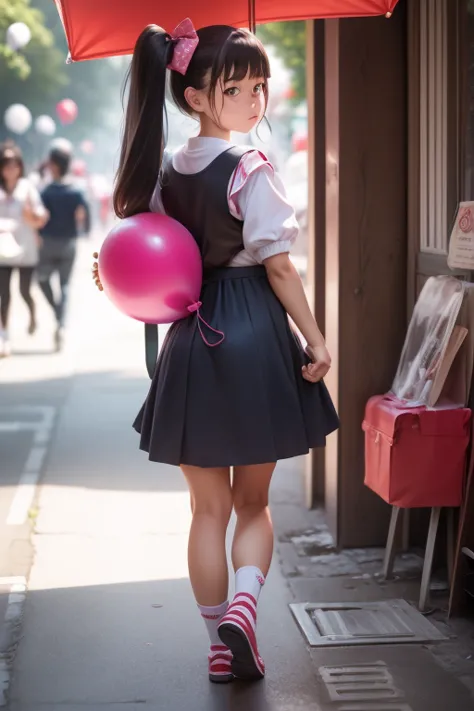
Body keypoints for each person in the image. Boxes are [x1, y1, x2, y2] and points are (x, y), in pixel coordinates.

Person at [92, 21, 339, 683]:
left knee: (207, 510)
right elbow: (281, 269)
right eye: (239, 88)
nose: (256, 101)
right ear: (197, 96)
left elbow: (137, 263)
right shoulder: (252, 169)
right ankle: (245, 611)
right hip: (255, 328)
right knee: (253, 504)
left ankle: (217, 644)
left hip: (192, 342)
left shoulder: (160, 176)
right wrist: (315, 340)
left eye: (260, 86)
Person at [37, 147, 90, 351]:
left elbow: (39, 216)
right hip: (69, 242)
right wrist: (85, 232)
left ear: (55, 165)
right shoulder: (77, 191)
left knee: (42, 280)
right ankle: (61, 321)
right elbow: (86, 214)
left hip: (49, 242)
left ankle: (57, 314)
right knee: (65, 285)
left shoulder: (46, 191)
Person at [0, 142, 49, 357]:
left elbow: (40, 215)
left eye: (14, 164)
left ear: (20, 166)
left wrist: (31, 215)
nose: (10, 168)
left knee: (24, 291)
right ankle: (4, 337)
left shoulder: (27, 187)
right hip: (2, 248)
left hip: (25, 247)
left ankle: (32, 313)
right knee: (4, 295)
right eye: (5, 164)